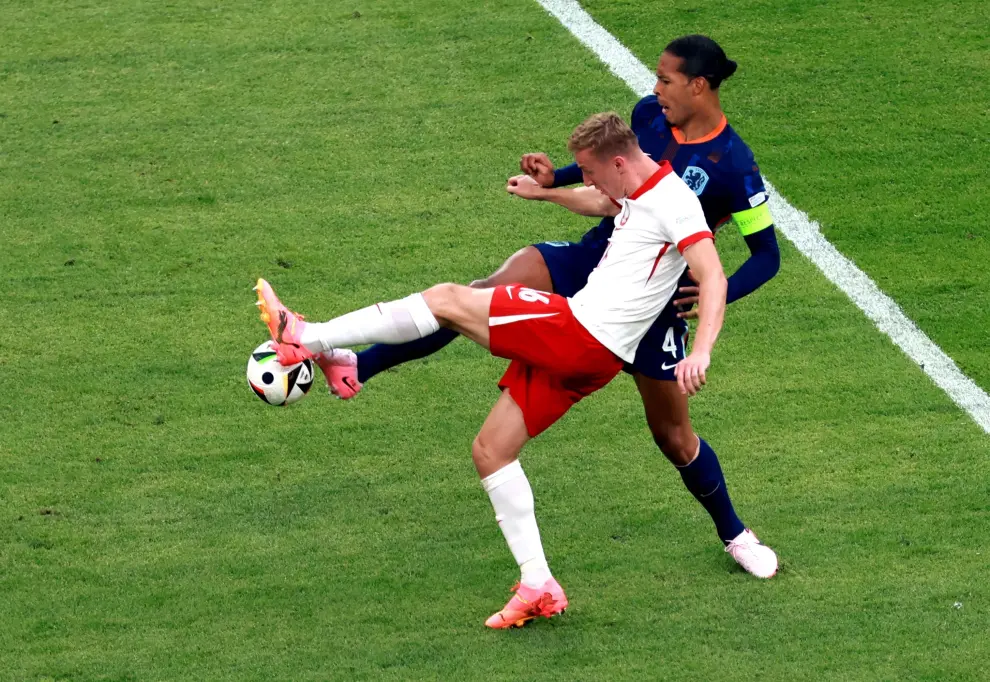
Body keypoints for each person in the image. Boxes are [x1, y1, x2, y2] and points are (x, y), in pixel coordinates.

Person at [317, 35, 781, 578]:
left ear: (698, 86)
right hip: (597, 256)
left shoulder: (734, 166)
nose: (656, 89)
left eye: (667, 80)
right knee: (478, 293)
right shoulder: (648, 116)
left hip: (649, 305)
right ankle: (360, 365)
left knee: (674, 436)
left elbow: (766, 255)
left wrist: (710, 292)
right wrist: (552, 180)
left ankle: (734, 533)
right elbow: (612, 177)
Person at [256, 112, 741, 628]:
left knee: (448, 299)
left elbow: (712, 275)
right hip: (592, 357)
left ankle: (309, 338)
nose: (588, 178)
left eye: (590, 169)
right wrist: (546, 193)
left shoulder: (674, 202)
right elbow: (602, 201)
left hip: (578, 333)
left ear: (618, 161)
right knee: (491, 451)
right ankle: (538, 583)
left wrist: (702, 350)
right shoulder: (634, 184)